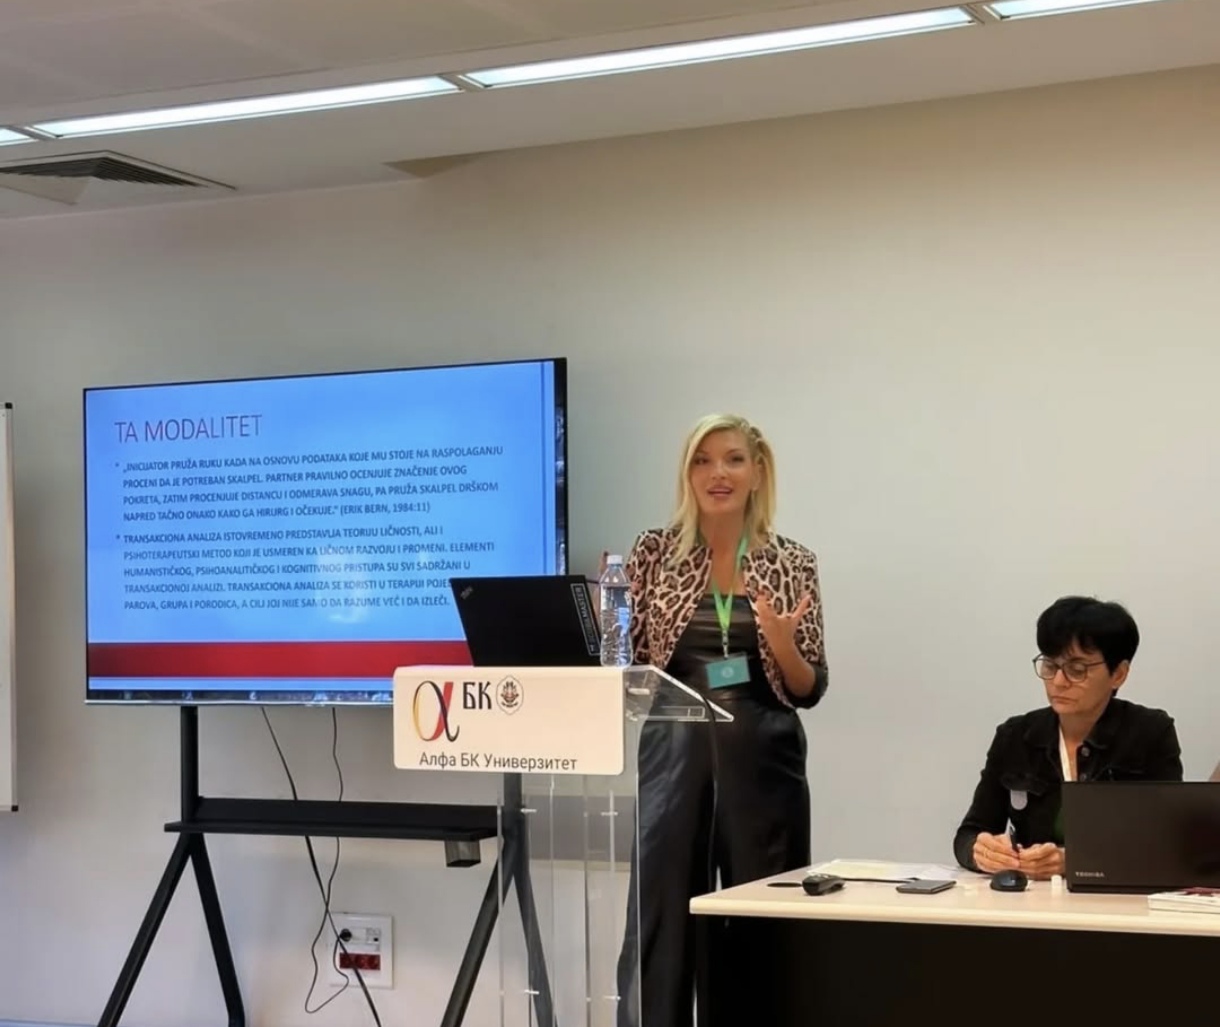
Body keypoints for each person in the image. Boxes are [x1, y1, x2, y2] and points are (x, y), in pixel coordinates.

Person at [614, 413, 828, 1027]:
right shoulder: (654, 552)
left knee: (760, 920)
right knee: (660, 915)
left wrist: (782, 643)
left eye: (733, 459)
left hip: (761, 755)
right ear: (688, 475)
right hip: (673, 750)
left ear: (758, 472)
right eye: (703, 461)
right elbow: (626, 659)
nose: (718, 474)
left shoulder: (792, 561)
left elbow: (810, 687)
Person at [953, 596, 1182, 880]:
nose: (1058, 682)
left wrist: (1073, 861)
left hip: (1117, 899)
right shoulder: (1015, 736)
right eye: (1050, 666)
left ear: (1119, 674)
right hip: (1032, 898)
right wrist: (982, 852)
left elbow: (1165, 842)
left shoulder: (1150, 732)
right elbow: (969, 833)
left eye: (1077, 670)